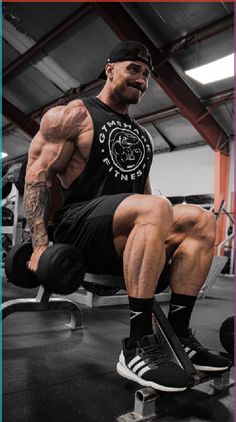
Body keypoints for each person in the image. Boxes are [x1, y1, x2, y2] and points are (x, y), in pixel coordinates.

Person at [24, 41, 230, 393]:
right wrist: (41, 246)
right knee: (155, 207)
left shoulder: (141, 135)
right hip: (78, 229)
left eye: (147, 75)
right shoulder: (73, 115)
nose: (141, 80)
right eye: (133, 70)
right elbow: (37, 176)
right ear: (110, 70)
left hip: (126, 231)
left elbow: (146, 198)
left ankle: (179, 337)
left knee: (201, 220)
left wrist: (162, 237)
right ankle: (137, 345)